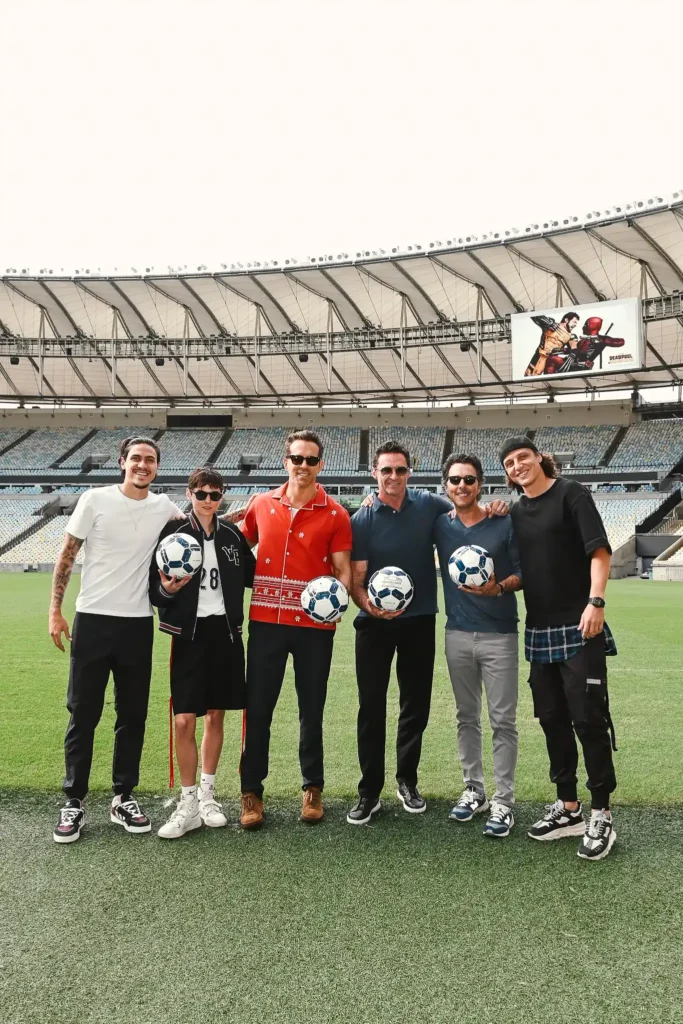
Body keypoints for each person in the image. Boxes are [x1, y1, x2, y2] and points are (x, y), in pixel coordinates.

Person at [49, 436, 185, 844]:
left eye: (151, 460)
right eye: (137, 459)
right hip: (91, 621)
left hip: (137, 625)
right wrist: (55, 609)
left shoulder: (163, 507)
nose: (143, 465)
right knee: (83, 714)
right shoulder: (95, 499)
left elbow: (201, 521)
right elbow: (68, 554)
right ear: (123, 462)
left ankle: (123, 796)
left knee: (132, 716)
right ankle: (74, 800)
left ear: (157, 468)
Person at [500, 435, 618, 861]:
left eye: (523, 457)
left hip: (580, 623)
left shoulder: (572, 494)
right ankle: (569, 807)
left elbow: (599, 552)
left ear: (539, 458)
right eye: (510, 462)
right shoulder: (515, 511)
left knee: (588, 717)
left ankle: (602, 809)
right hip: (539, 628)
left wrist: (596, 602)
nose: (518, 465)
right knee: (551, 717)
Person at [238, 430, 352, 828]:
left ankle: (313, 787)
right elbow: (234, 548)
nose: (303, 466)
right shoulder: (260, 504)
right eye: (296, 458)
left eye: (311, 460)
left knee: (311, 710)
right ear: (285, 461)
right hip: (266, 624)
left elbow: (341, 572)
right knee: (259, 709)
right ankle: (250, 792)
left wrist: (336, 603)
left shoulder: (336, 513)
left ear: (321, 465)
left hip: (314, 630)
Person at [347, 441, 453, 825]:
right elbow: (357, 580)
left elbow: (465, 512)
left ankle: (407, 780)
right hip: (373, 626)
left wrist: (493, 507)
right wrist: (367, 604)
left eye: (401, 470)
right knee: (371, 708)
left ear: (411, 472)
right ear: (374, 473)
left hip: (419, 620)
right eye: (386, 470)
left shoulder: (429, 505)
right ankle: (369, 792)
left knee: (415, 706)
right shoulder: (362, 519)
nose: (394, 476)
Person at [150, 466, 255, 839]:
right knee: (184, 720)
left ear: (222, 496)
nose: (208, 500)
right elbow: (155, 590)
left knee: (215, 715)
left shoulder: (231, 535)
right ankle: (188, 801)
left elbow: (253, 575)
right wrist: (169, 590)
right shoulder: (173, 534)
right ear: (190, 493)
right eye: (201, 494)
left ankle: (208, 795)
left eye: (215, 494)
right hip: (189, 635)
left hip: (225, 635)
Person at [433, 454, 522, 837]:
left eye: (469, 480)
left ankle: (504, 800)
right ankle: (474, 790)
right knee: (465, 717)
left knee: (503, 721)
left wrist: (498, 587)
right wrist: (369, 500)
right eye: (455, 480)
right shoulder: (440, 525)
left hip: (500, 634)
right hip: (456, 633)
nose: (462, 486)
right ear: (446, 486)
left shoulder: (504, 521)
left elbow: (523, 572)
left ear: (481, 484)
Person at [524, 312, 579, 376]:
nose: (575, 325)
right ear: (566, 320)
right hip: (540, 356)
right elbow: (535, 316)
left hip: (552, 360)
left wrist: (570, 353)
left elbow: (574, 349)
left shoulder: (571, 336)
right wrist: (549, 322)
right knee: (531, 376)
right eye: (574, 322)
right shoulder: (551, 325)